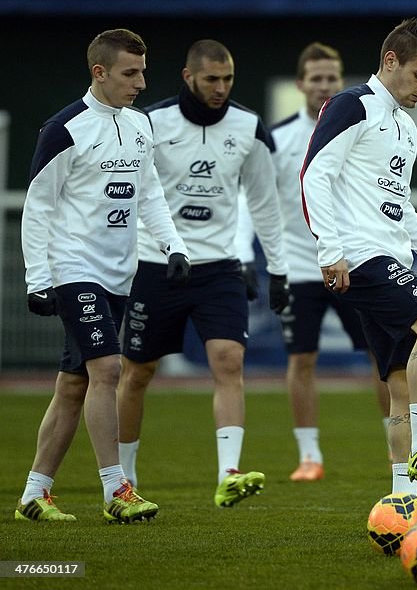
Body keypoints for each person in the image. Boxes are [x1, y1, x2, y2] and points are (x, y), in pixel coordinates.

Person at [17, 28, 190, 523]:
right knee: (107, 370)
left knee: (73, 384)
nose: (140, 82)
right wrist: (38, 277)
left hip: (120, 274)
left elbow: (149, 193)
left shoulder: (138, 126)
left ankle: (34, 493)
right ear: (100, 72)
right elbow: (37, 207)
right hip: (74, 268)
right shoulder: (64, 129)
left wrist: (173, 245)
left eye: (142, 71)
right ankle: (117, 489)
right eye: (129, 73)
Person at [300, 18, 417, 496]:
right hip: (361, 256)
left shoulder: (405, 127)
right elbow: (314, 174)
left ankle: (404, 499)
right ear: (391, 61)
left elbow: (400, 205)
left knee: (398, 385)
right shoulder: (351, 105)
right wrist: (331, 250)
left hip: (389, 252)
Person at [116, 39, 290, 507]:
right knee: (136, 374)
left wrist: (278, 268)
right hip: (155, 267)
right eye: (211, 79)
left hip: (219, 269)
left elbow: (264, 204)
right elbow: (129, 196)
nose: (221, 88)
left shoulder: (249, 128)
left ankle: (229, 473)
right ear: (188, 77)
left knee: (229, 362)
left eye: (228, 79)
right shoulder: (149, 124)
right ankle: (124, 480)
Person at [234, 42, 392, 481]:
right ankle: (309, 456)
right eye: (316, 78)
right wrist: (246, 254)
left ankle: (395, 446)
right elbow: (256, 201)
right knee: (301, 360)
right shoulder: (278, 138)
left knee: (381, 355)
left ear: (340, 81)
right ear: (300, 83)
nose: (324, 85)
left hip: (352, 262)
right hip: (301, 269)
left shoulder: (357, 128)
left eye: (331, 78)